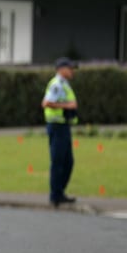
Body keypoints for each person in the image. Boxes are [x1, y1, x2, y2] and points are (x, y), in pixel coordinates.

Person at [42, 57, 79, 207]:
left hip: (64, 126)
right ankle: (55, 196)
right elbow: (46, 103)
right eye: (70, 68)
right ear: (61, 69)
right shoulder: (57, 85)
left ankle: (59, 192)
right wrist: (67, 106)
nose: (72, 71)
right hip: (57, 127)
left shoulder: (65, 84)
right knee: (58, 162)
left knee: (68, 162)